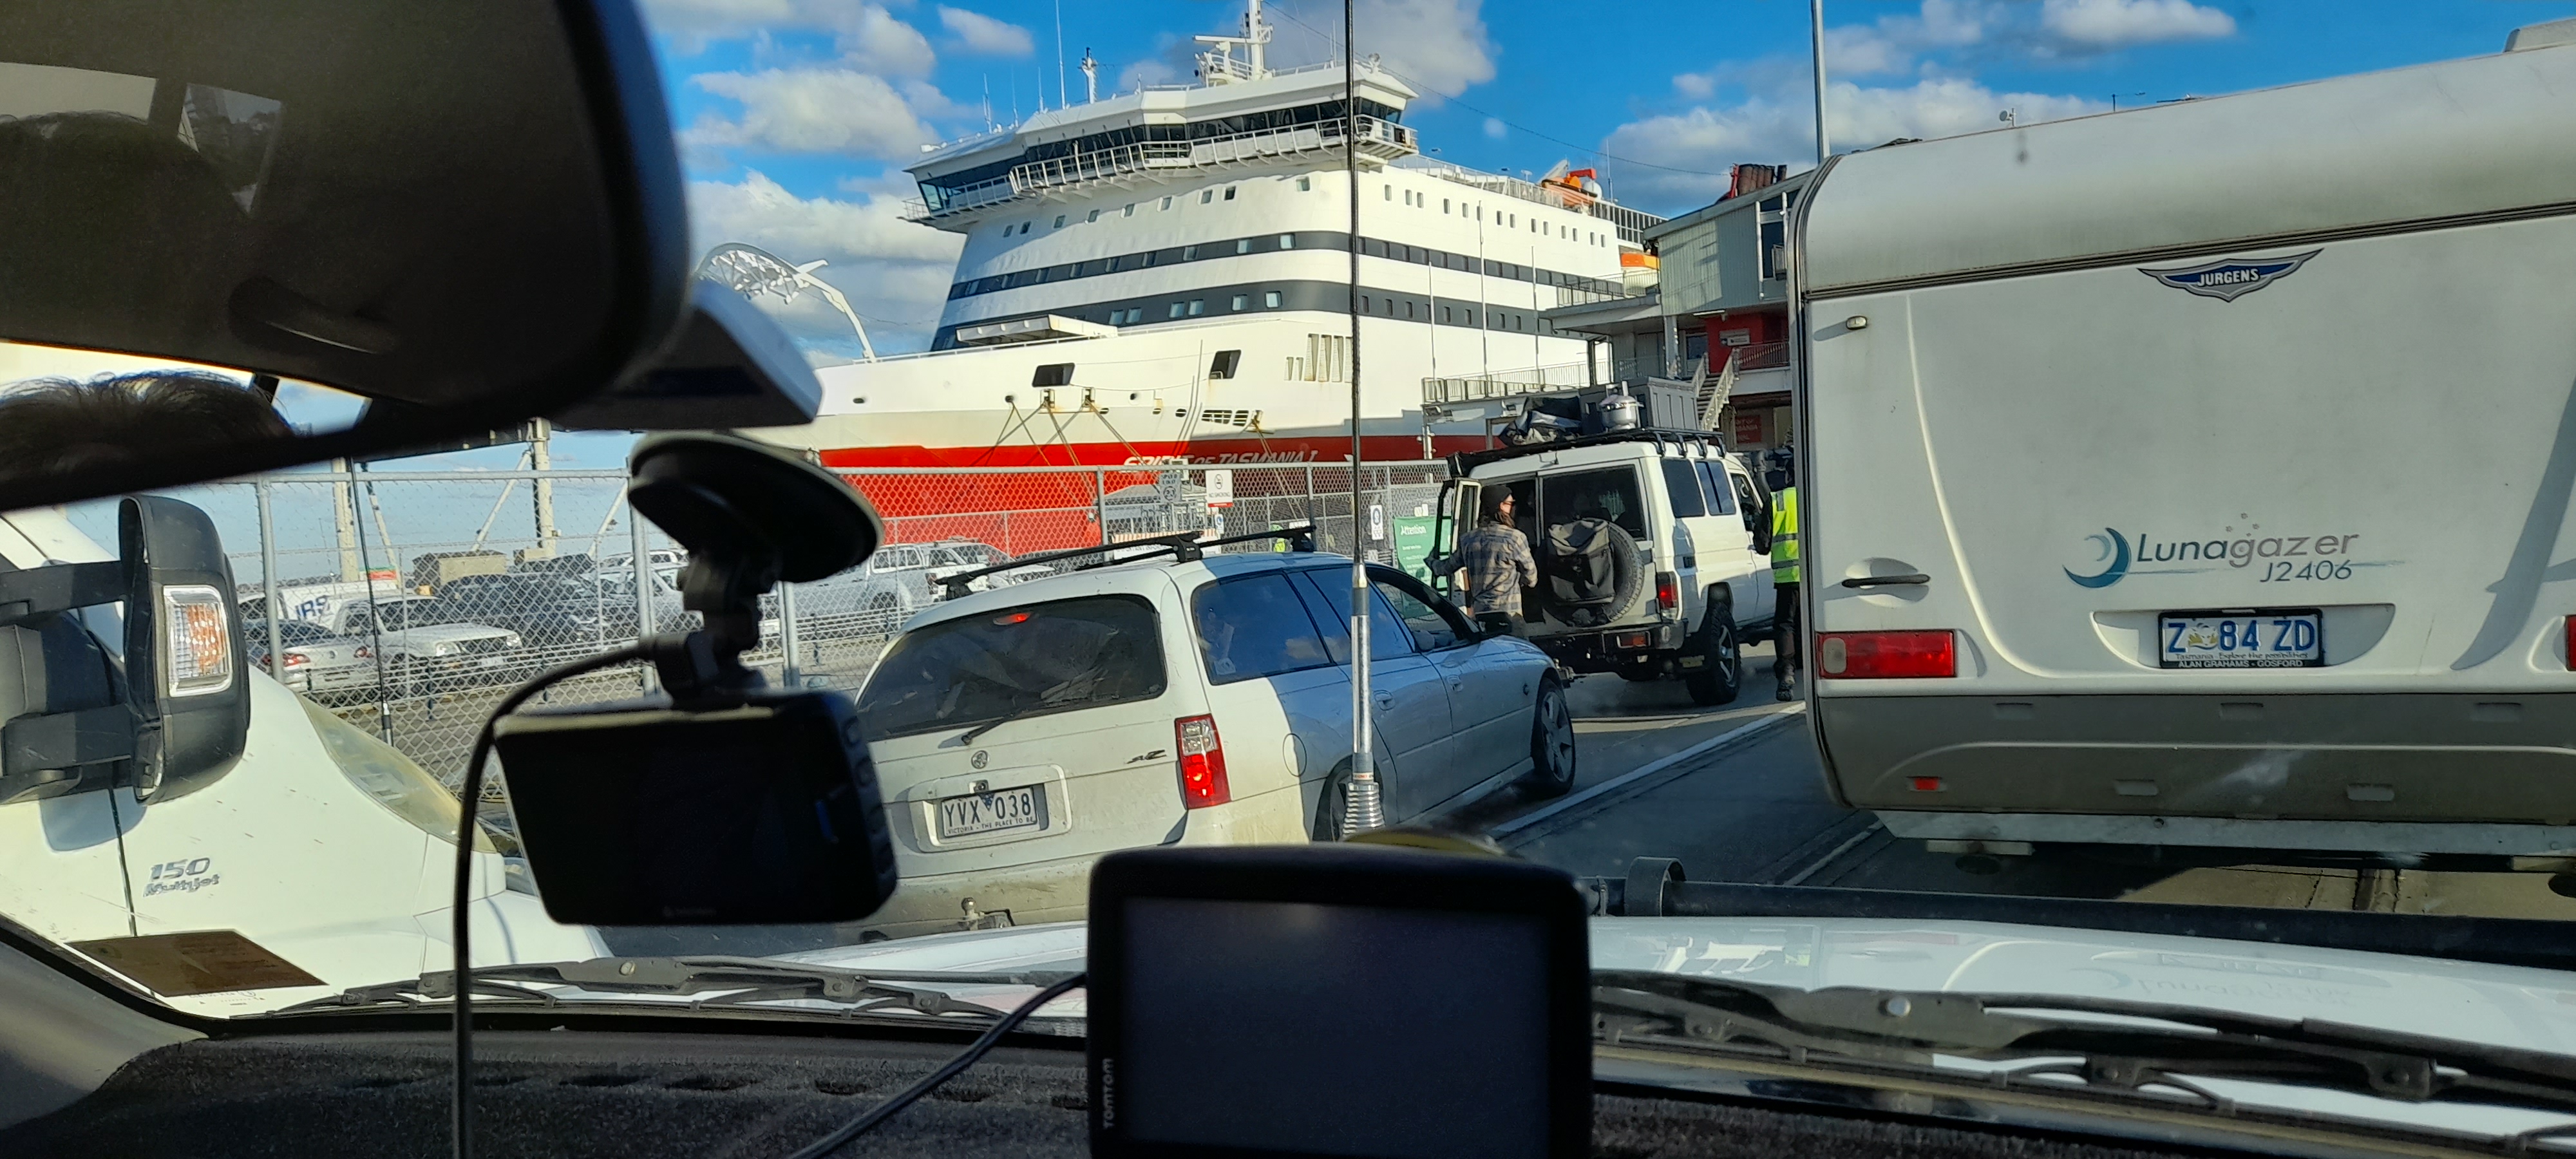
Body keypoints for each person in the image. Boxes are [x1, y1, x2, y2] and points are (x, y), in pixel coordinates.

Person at [1430, 487, 1540, 637]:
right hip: (1509, 613)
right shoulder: (1515, 538)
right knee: (1518, 650)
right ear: (1501, 506)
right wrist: (1521, 581)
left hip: (1481, 615)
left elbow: (1444, 568)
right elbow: (1531, 577)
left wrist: (1431, 561)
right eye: (1511, 503)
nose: (1513, 508)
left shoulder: (1467, 539)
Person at [1767, 455, 1801, 701]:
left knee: (1785, 624)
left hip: (1788, 578)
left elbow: (1762, 543)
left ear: (1788, 475)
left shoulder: (1777, 500)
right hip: (1818, 578)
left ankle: (1787, 670)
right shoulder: (1821, 496)